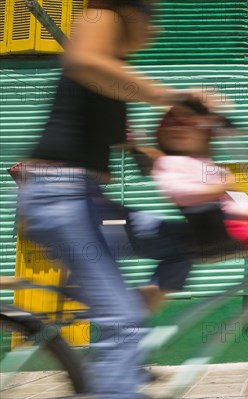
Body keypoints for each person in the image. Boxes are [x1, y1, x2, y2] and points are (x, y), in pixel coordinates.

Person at [17, 1, 219, 397]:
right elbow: (86, 61)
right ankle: (119, 353)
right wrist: (170, 97)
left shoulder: (112, 76)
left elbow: (142, 153)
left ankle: (117, 356)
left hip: (87, 202)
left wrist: (203, 146)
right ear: (130, 11)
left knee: (183, 245)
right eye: (151, 13)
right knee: (124, 324)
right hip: (60, 197)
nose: (155, 27)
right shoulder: (100, 14)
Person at [144, 106, 248, 340]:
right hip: (207, 232)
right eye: (171, 127)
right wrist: (219, 187)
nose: (180, 130)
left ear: (204, 134)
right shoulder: (168, 163)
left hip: (223, 228)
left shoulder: (207, 164)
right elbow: (180, 192)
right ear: (160, 135)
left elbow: (234, 200)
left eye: (188, 125)